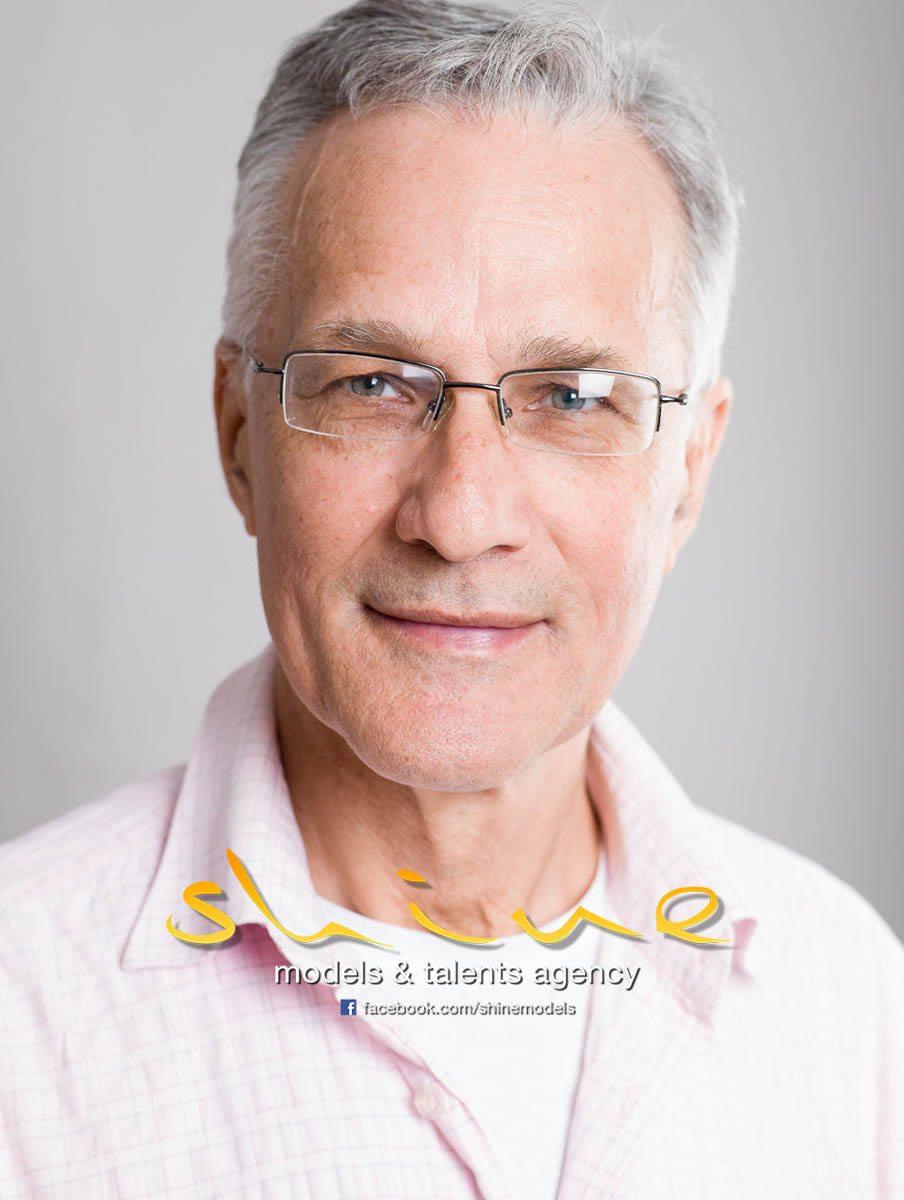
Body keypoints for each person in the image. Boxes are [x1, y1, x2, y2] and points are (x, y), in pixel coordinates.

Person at [1, 1, 901, 1196]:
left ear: (687, 472)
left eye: (572, 397)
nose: (461, 515)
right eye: (373, 382)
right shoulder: (20, 1012)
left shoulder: (851, 1010)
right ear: (238, 435)